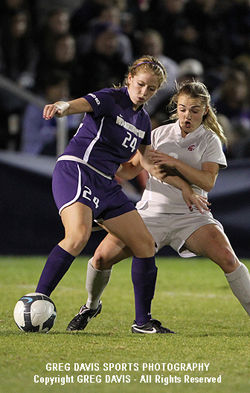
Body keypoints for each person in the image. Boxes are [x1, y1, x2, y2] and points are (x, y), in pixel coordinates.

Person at [68, 80, 250, 334]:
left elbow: (207, 180)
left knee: (229, 259)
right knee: (100, 258)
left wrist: (173, 163)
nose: (188, 115)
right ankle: (90, 306)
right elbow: (131, 169)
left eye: (195, 110)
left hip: (191, 216)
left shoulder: (210, 140)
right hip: (150, 213)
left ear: (206, 109)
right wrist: (104, 158)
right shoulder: (158, 134)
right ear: (177, 107)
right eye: (183, 108)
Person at [36, 55, 200, 334]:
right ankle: (37, 299)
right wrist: (62, 106)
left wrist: (185, 187)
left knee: (145, 245)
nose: (143, 92)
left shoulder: (143, 121)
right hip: (78, 169)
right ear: (129, 80)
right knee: (77, 236)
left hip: (106, 183)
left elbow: (146, 165)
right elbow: (78, 104)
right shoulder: (111, 98)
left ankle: (142, 322)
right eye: (140, 84)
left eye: (150, 89)